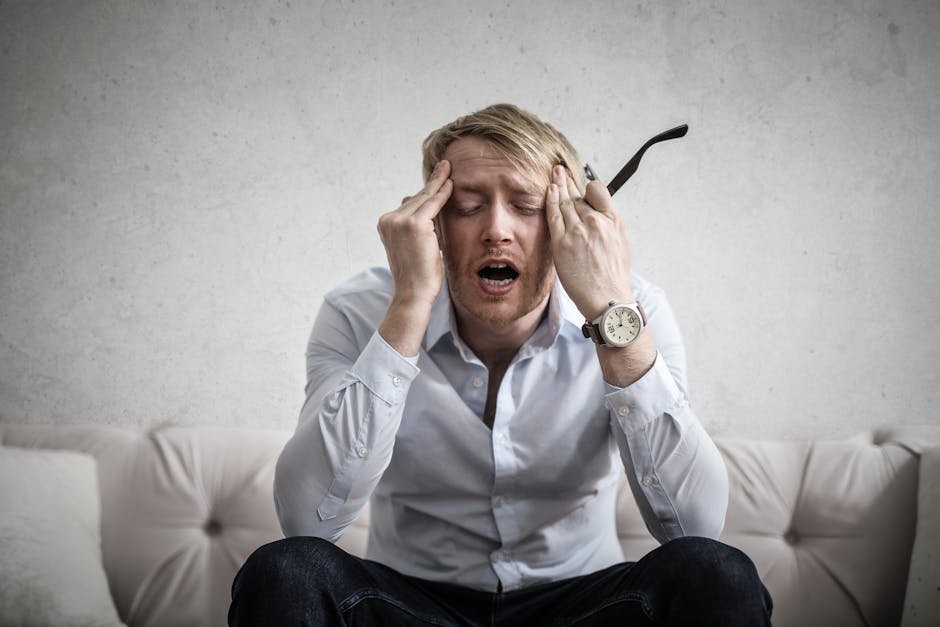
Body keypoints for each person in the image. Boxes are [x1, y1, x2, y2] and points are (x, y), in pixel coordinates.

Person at [229, 103, 772, 626]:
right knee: (286, 571)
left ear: (570, 223)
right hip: (411, 604)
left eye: (528, 206)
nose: (496, 230)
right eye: (467, 206)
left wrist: (611, 313)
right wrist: (409, 304)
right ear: (433, 225)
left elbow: (695, 527)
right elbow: (306, 521)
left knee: (714, 573)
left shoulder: (633, 311)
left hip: (581, 605)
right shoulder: (357, 311)